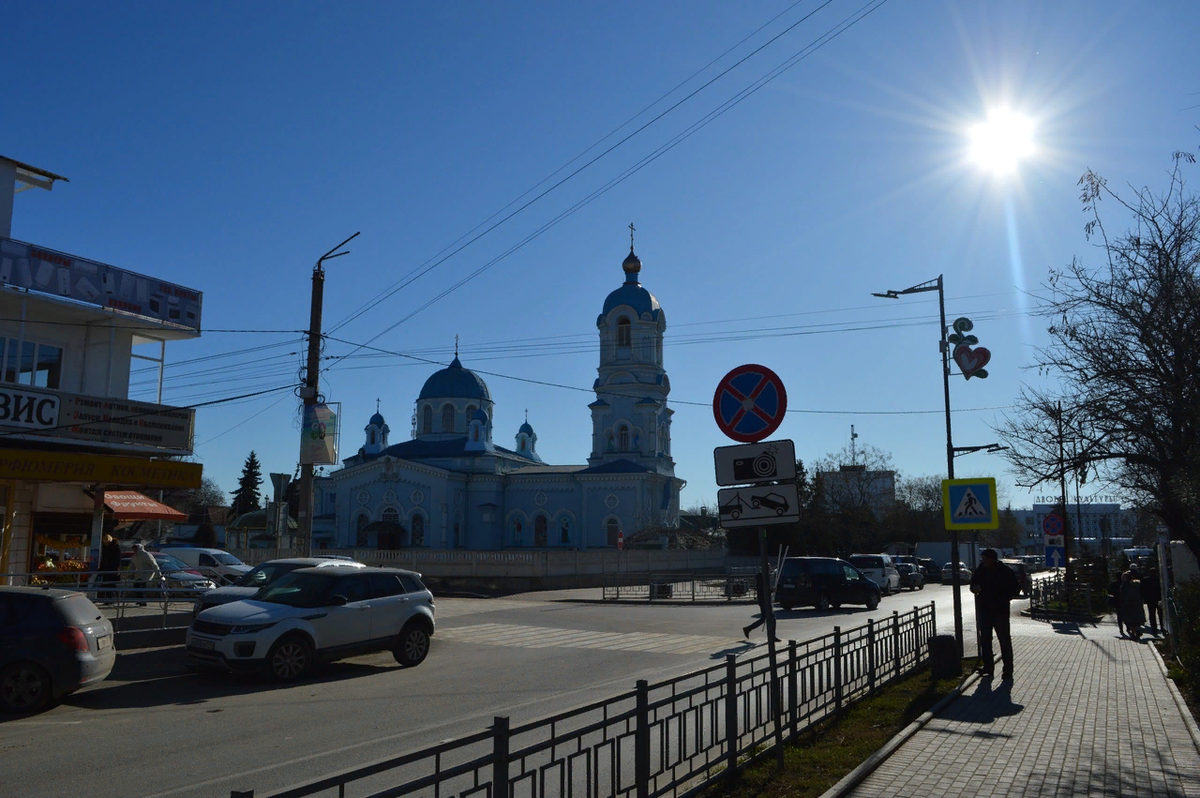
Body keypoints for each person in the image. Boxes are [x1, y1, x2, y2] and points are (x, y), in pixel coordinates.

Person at [969, 548, 1020, 680]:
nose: (984, 561)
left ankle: (1007, 671)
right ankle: (988, 668)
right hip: (984, 610)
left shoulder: (1005, 572)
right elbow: (972, 585)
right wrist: (974, 589)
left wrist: (1003, 596)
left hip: (1000, 611)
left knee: (1004, 641)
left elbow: (1015, 589)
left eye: (986, 558)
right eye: (983, 558)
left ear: (993, 559)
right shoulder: (980, 570)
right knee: (985, 641)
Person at [742, 570, 779, 642]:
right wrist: (771, 590)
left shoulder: (762, 578)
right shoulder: (762, 578)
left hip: (764, 600)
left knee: (764, 619)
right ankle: (772, 636)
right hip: (764, 601)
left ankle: (748, 629)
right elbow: (764, 590)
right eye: (768, 568)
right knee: (772, 619)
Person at [1119, 571, 1145, 639]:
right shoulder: (1137, 583)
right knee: (1137, 618)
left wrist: (1123, 599)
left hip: (1128, 603)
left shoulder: (1125, 584)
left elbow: (1123, 593)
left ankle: (1133, 633)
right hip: (1137, 603)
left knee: (1130, 619)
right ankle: (1137, 630)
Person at [97, 534, 122, 603]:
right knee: (107, 583)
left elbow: (118, 559)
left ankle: (115, 598)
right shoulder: (105, 547)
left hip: (113, 568)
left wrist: (117, 568)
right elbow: (103, 558)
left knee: (111, 584)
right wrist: (101, 567)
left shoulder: (116, 547)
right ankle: (110, 598)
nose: (106, 543)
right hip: (106, 568)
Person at [1140, 568, 1163, 635]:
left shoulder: (1145, 580)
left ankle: (1154, 629)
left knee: (1152, 614)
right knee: (1160, 614)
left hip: (1150, 600)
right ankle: (1162, 627)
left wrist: (1144, 598)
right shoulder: (1159, 580)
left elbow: (1142, 590)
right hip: (1159, 599)